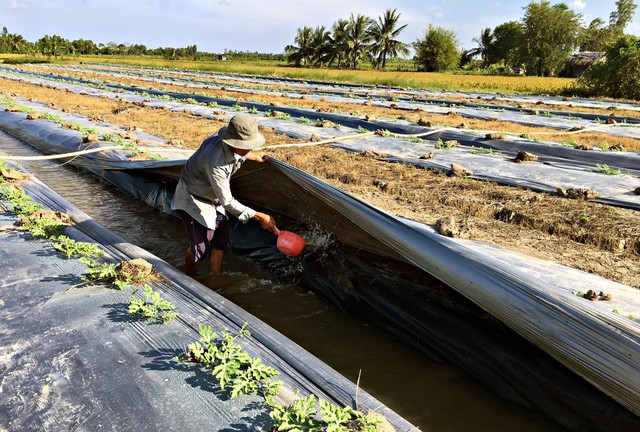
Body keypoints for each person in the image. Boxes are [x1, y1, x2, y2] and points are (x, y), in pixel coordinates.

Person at [171, 114, 278, 275]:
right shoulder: (216, 163)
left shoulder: (230, 144)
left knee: (221, 238)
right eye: (246, 146)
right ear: (232, 142)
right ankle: (187, 274)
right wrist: (258, 216)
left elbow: (238, 150)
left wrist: (252, 155)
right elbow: (227, 201)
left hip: (214, 196)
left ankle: (215, 277)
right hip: (194, 197)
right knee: (200, 248)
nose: (249, 149)